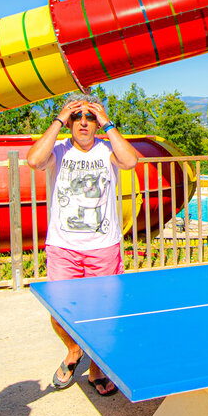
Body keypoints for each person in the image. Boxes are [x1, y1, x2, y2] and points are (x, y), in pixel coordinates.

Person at [26, 93, 140, 396]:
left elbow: (130, 161)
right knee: (59, 311)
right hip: (63, 247)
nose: (84, 123)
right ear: (70, 122)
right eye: (78, 117)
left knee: (104, 311)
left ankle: (98, 368)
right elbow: (34, 160)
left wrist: (107, 121)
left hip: (103, 247)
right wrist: (59, 118)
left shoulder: (106, 151)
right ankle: (74, 350)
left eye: (90, 117)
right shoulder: (59, 150)